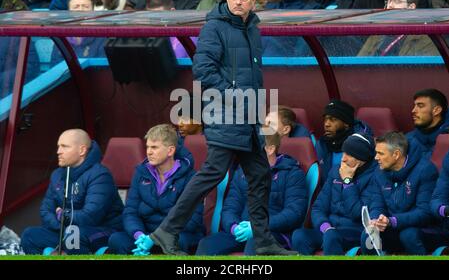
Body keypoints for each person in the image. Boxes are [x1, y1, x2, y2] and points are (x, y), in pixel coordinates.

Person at [150, 0, 297, 256]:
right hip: (225, 113)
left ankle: (263, 241)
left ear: (254, 1)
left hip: (248, 115)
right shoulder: (215, 27)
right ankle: (168, 230)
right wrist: (232, 94)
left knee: (259, 173)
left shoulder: (252, 28)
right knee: (213, 173)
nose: (238, 1)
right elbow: (203, 69)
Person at [196, 133, 307, 255]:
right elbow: (230, 208)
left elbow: (294, 213)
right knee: (207, 244)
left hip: (274, 233)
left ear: (270, 149)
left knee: (256, 244)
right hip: (243, 230)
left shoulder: (292, 173)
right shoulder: (241, 172)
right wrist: (234, 227)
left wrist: (258, 227)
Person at [20, 129, 124, 255]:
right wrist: (62, 227)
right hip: (68, 231)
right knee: (30, 236)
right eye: (58, 146)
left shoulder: (100, 174)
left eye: (64, 147)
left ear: (82, 150)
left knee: (74, 236)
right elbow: (45, 211)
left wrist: (62, 215)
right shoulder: (57, 175)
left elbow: (90, 217)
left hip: (102, 230)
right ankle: (63, 249)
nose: (58, 151)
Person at [108, 124, 204, 255]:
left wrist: (155, 238)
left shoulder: (191, 177)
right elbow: (130, 211)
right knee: (117, 240)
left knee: (179, 241)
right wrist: (139, 235)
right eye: (147, 147)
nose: (149, 152)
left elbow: (193, 220)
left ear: (170, 151)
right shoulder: (141, 173)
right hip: (145, 234)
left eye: (154, 147)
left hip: (176, 234)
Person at [292, 133, 377, 255]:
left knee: (331, 237)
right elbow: (318, 208)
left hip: (354, 232)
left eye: (349, 154)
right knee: (299, 236)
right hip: (330, 229)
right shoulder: (336, 171)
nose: (343, 158)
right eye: (343, 153)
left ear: (361, 159)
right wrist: (325, 227)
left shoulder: (374, 177)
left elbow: (357, 213)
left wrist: (348, 181)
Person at [361, 132, 438, 255]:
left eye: (380, 153)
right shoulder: (379, 172)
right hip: (392, 225)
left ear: (396, 154)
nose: (376, 158)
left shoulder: (425, 171)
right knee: (368, 235)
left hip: (423, 229)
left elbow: (425, 213)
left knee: (408, 235)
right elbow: (377, 203)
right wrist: (376, 220)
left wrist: (393, 221)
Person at [358, 0, 439, 56]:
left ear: (411, 8)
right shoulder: (376, 35)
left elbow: (426, 70)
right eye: (389, 1)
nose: (390, 6)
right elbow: (358, 64)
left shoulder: (423, 40)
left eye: (397, 1)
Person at [316, 99, 373, 183]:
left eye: (333, 119)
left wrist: (347, 182)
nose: (326, 124)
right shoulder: (322, 144)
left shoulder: (361, 146)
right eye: (325, 119)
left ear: (346, 123)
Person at [407, 88, 449, 159]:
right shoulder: (407, 140)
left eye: (420, 106)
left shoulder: (446, 141)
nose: (413, 110)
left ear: (436, 110)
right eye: (415, 106)